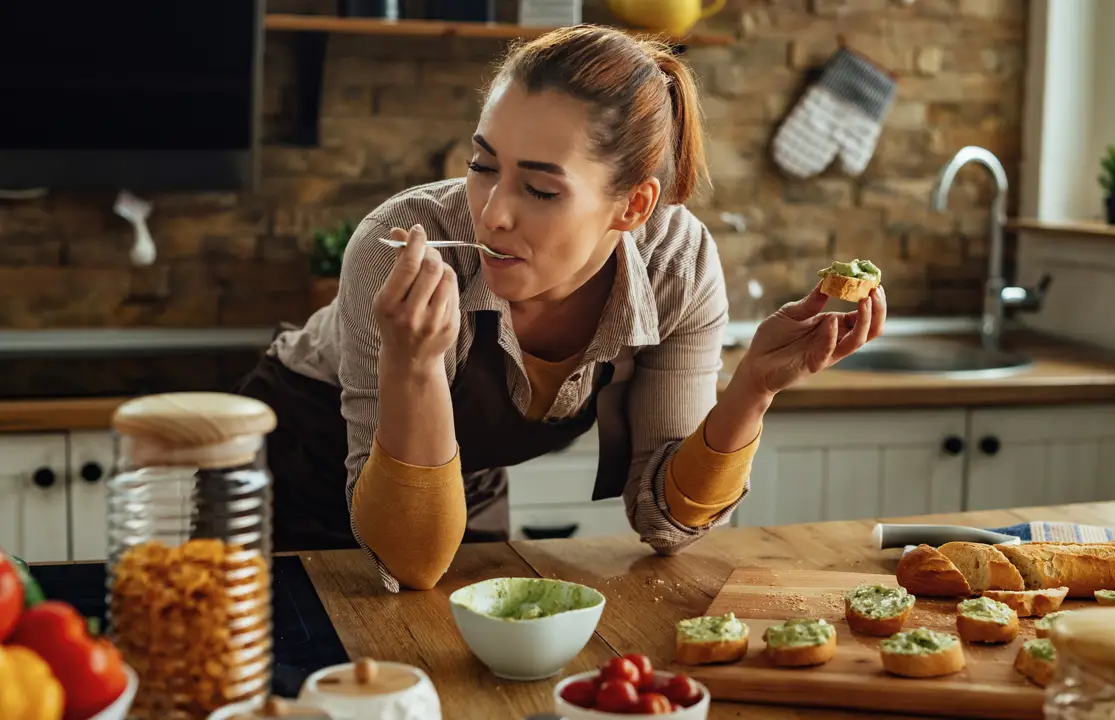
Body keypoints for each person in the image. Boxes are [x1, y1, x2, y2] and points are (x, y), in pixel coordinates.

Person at [235, 24, 887, 592]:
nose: (492, 214)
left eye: (541, 189)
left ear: (633, 206)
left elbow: (665, 522)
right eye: (482, 165)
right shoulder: (409, 244)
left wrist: (751, 390)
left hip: (461, 478)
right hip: (302, 467)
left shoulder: (675, 268)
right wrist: (411, 366)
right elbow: (406, 561)